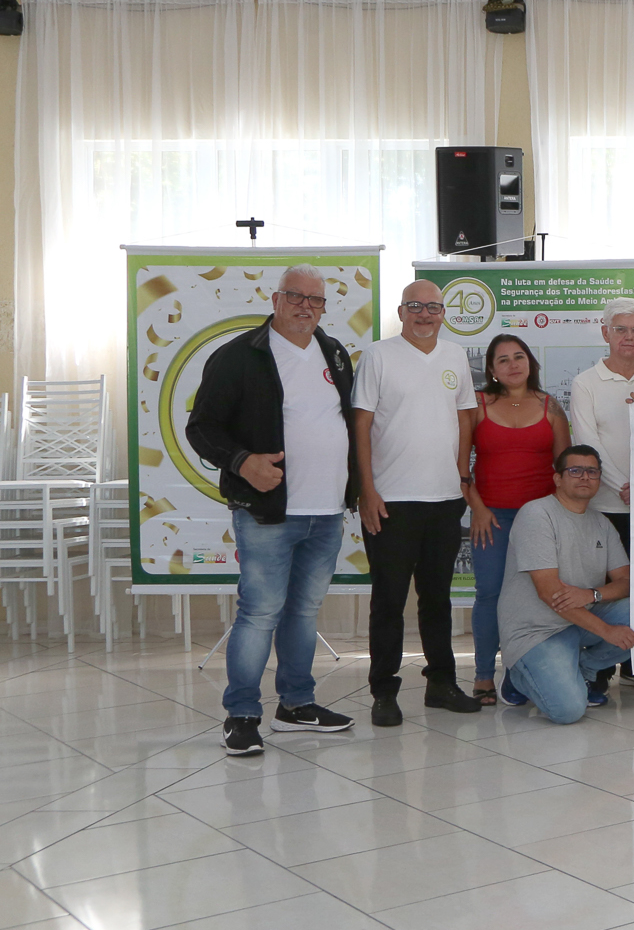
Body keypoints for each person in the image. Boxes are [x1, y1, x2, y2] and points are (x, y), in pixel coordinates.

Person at [188, 264, 360, 755]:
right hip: (268, 512)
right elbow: (201, 428)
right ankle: (242, 714)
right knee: (260, 613)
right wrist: (243, 463)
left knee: (303, 613)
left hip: (327, 510)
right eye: (296, 296)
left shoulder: (333, 351)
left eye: (316, 299)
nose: (306, 306)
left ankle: (296, 705)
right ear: (276, 298)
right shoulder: (240, 355)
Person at [354, 279, 482, 726]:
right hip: (391, 502)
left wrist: (462, 476)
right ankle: (384, 692)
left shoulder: (453, 357)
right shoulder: (378, 355)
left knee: (437, 600)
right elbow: (362, 426)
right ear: (401, 311)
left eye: (433, 307)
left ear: (444, 313)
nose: (425, 314)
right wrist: (366, 490)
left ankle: (441, 683)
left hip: (444, 499)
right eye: (415, 306)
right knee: (388, 600)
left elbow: (465, 417)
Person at [495, 446, 634, 726]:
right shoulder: (537, 514)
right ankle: (518, 675)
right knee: (568, 711)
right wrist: (607, 631)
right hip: (537, 631)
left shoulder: (602, 524)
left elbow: (629, 582)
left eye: (592, 471)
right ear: (558, 478)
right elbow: (550, 593)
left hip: (580, 620)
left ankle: (585, 667)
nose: (584, 477)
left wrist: (592, 594)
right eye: (575, 470)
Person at [466, 335, 569, 706]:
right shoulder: (477, 405)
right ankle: (482, 675)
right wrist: (477, 507)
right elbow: (461, 467)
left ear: (530, 362)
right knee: (490, 595)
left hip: (539, 521)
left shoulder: (551, 407)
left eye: (519, 356)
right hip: (490, 518)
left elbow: (565, 471)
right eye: (503, 359)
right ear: (491, 369)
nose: (513, 364)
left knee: (532, 599)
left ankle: (518, 673)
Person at [567, 296, 634, 694]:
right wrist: (626, 485)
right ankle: (600, 669)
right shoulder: (585, 383)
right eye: (620, 329)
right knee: (609, 590)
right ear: (605, 332)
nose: (628, 336)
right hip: (606, 506)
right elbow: (588, 444)